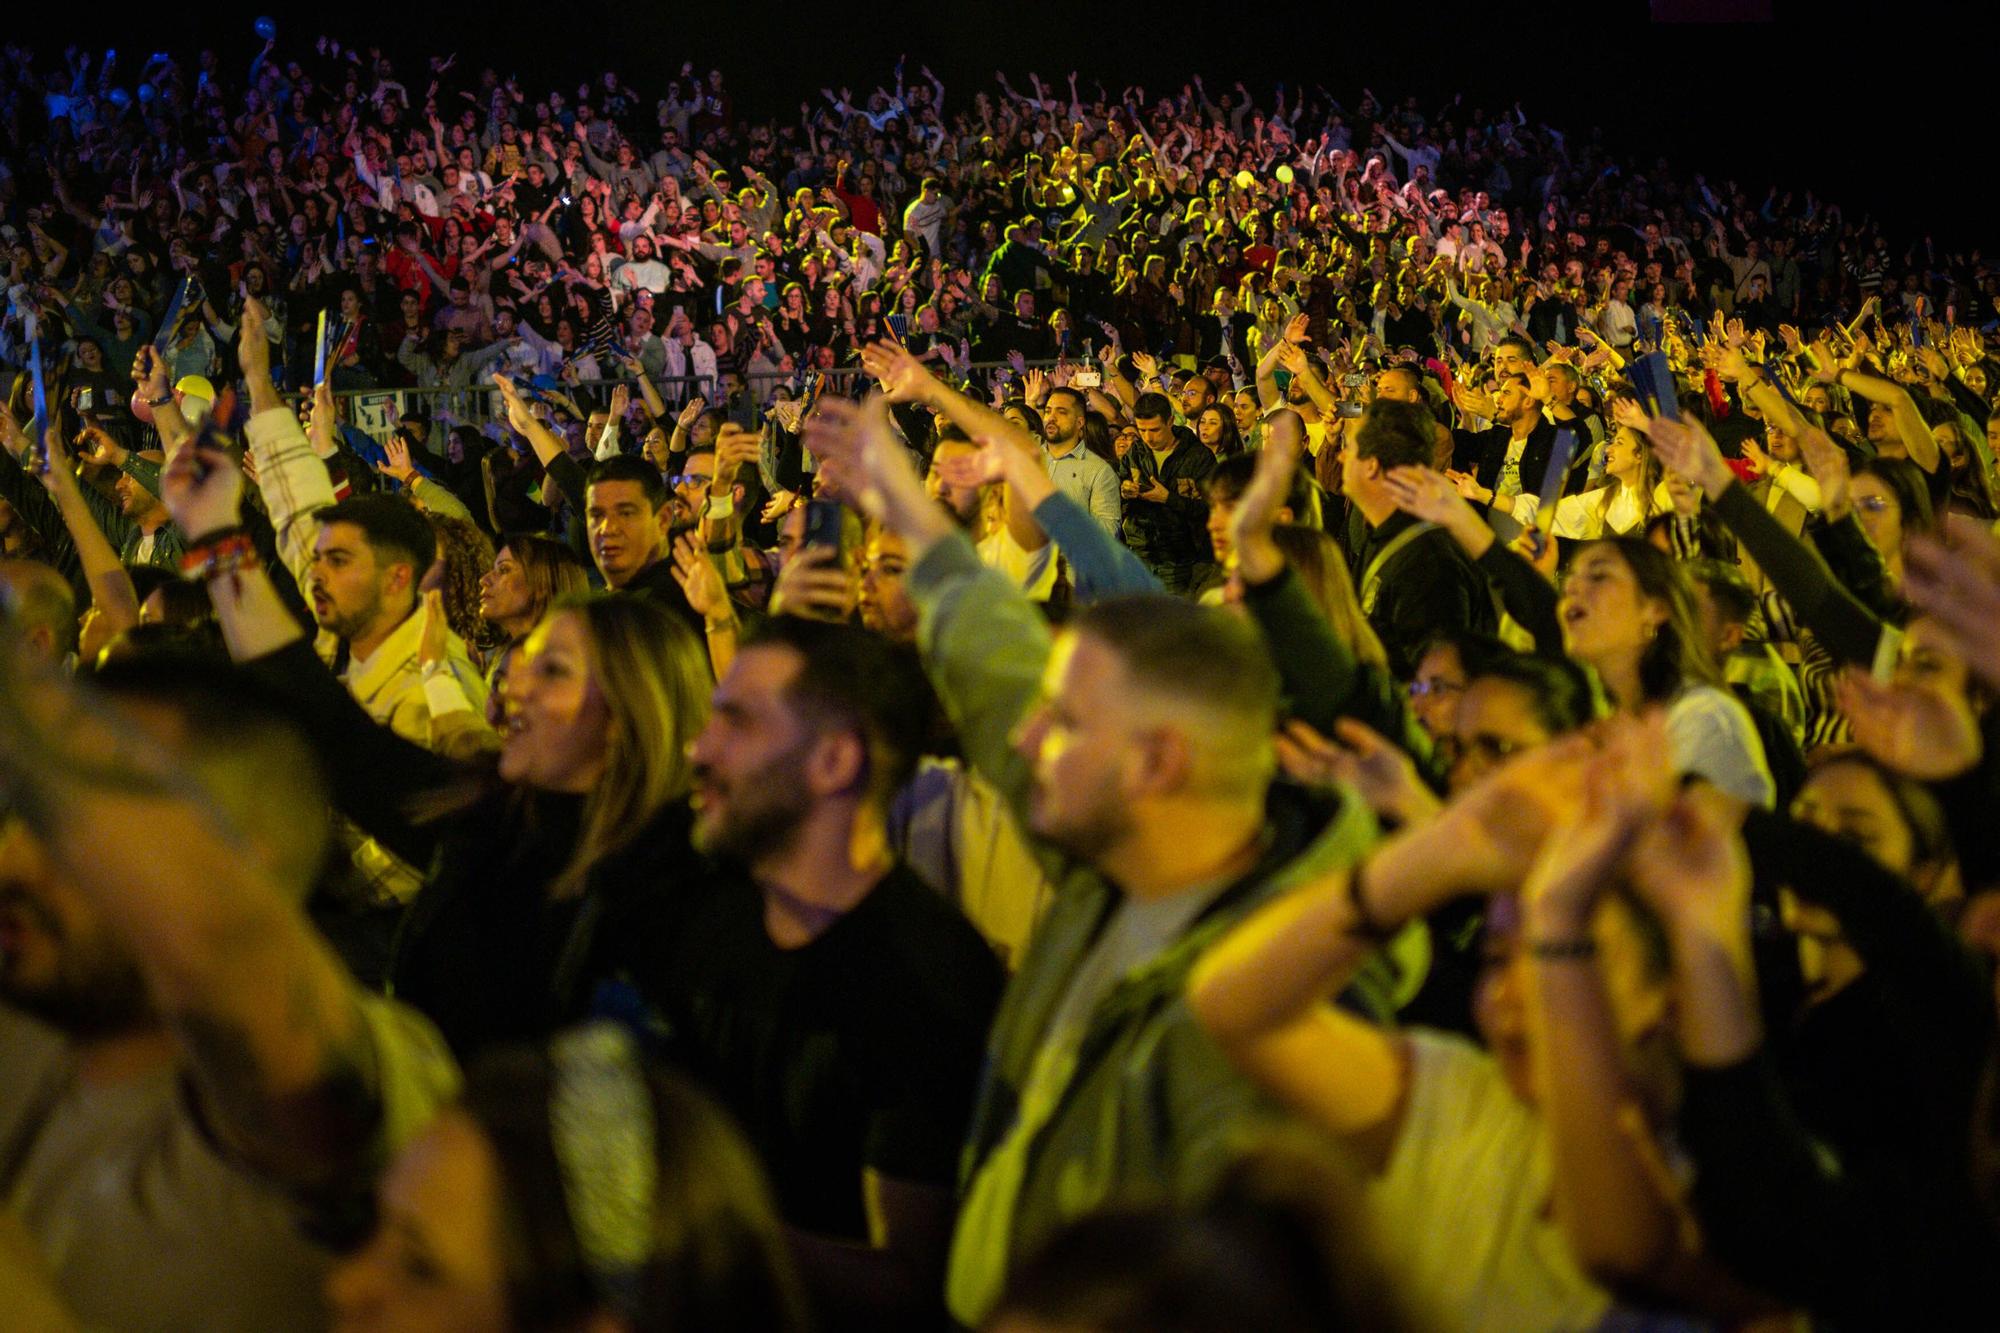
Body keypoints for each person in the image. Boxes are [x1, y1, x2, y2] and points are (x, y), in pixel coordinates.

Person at [800, 394, 1386, 1327]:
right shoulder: (1110, 879)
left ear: (1158, 763)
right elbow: (998, 677)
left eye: (1067, 722)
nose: (1029, 735)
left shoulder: (1262, 1021)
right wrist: (912, 514)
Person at [157, 431, 715, 1061]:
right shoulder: (489, 820)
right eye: (525, 665)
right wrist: (214, 535)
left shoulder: (682, 892)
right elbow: (327, 720)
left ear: (629, 711)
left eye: (553, 672)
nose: (511, 693)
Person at [0, 652, 458, 1331]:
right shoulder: (39, 1017)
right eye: (23, 808)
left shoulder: (343, 1093)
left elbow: (227, 949)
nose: (12, 854)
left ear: (240, 858)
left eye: (82, 825)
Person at [648, 614, 1001, 1327]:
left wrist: (698, 1227)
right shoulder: (708, 917)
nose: (699, 747)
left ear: (836, 761)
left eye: (737, 723)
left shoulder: (926, 984)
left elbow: (912, 1281)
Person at [1341, 401, 1498, 677]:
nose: (1341, 457)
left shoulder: (1429, 564)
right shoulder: (1385, 536)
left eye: (1350, 449)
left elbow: (1438, 681)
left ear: (1372, 466)